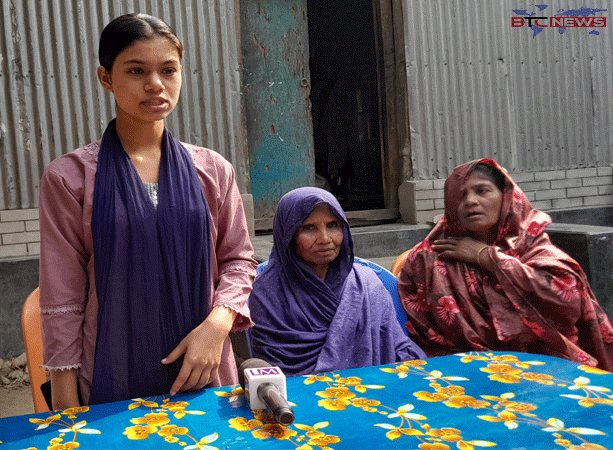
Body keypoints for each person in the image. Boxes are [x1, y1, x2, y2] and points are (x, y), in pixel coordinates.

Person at [38, 13, 256, 409]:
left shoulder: (212, 170)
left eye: (168, 70)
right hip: (110, 369)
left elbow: (238, 259)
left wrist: (217, 325)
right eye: (137, 70)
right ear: (106, 78)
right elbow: (63, 295)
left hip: (204, 364)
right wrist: (66, 400)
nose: (156, 84)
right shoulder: (71, 177)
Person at [398, 158, 613, 369]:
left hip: (549, 366)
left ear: (506, 196)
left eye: (482, 191)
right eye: (460, 196)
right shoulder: (430, 258)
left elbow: (570, 302)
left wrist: (488, 257)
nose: (470, 201)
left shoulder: (531, 244)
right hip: (465, 372)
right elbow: (420, 331)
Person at [248, 187, 424, 376]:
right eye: (308, 228)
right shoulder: (266, 294)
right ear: (287, 236)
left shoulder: (368, 284)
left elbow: (397, 346)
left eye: (332, 225)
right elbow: (273, 374)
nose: (325, 239)